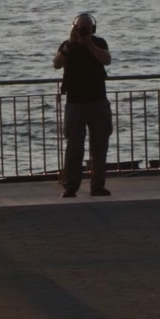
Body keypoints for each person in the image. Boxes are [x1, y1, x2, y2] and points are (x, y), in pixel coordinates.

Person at [54, 12, 113, 197]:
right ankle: (71, 186)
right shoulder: (67, 46)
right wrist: (71, 44)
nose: (84, 32)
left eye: (86, 29)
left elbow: (106, 60)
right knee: (74, 147)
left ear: (93, 29)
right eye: (80, 29)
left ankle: (98, 186)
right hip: (75, 104)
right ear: (74, 29)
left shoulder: (99, 43)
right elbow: (56, 64)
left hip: (98, 102)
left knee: (100, 146)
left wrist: (88, 43)